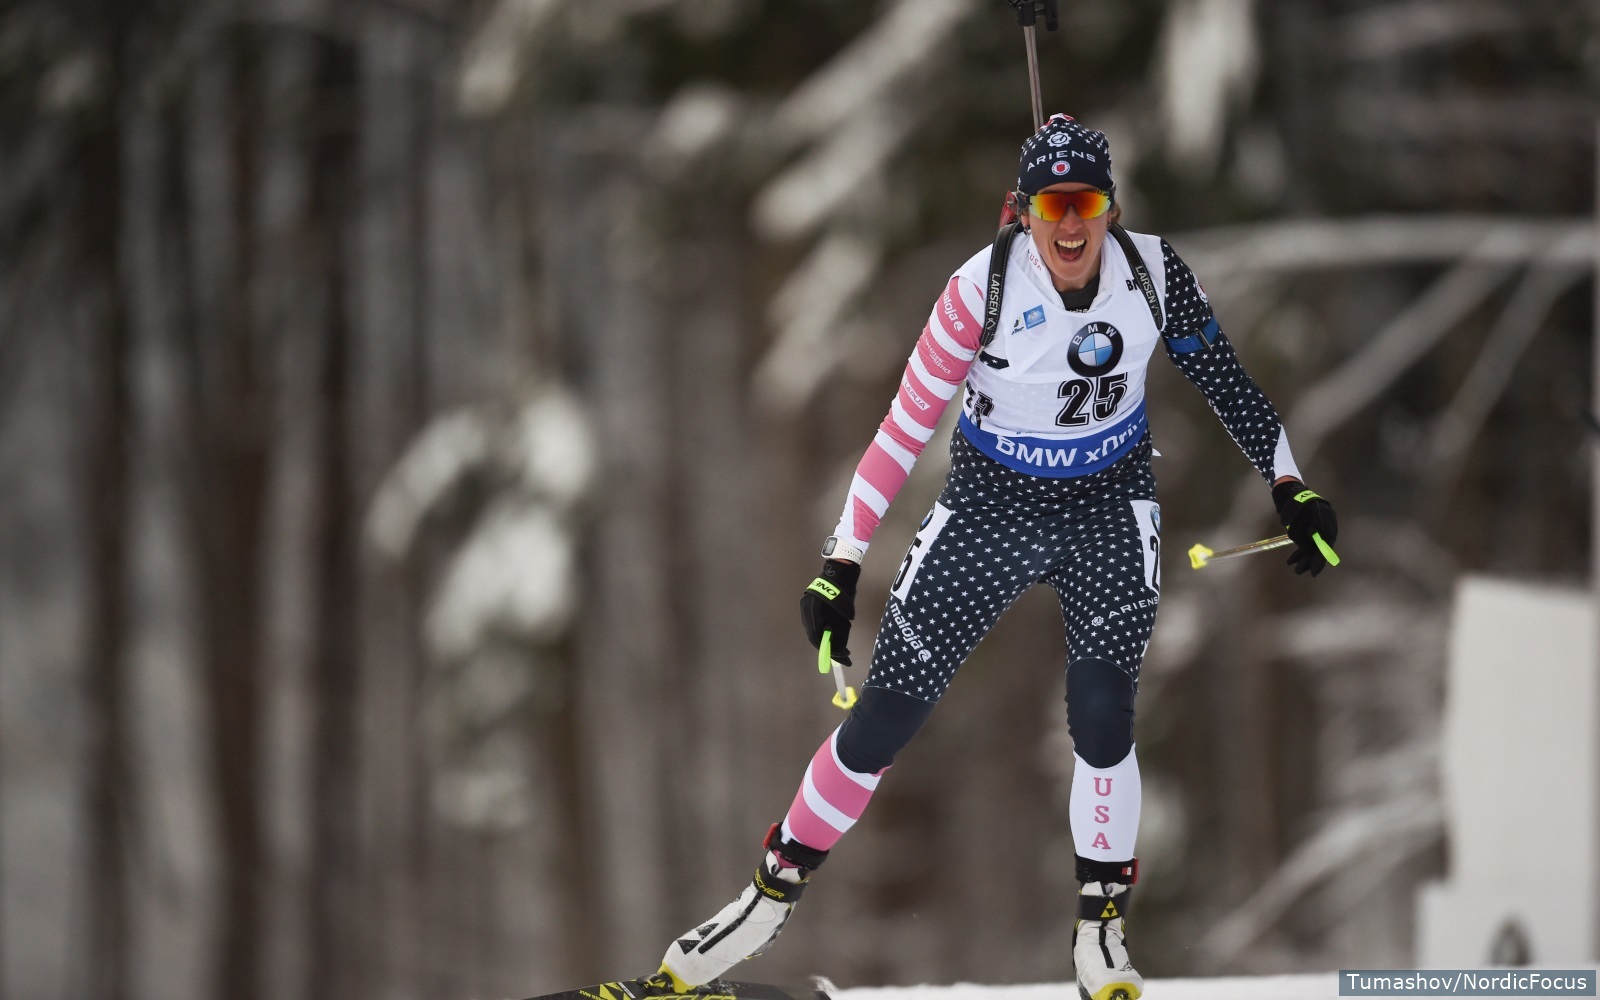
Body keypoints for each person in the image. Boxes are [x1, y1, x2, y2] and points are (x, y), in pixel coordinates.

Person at [649, 114, 1338, 1000]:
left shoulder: (1154, 273)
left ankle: (1101, 932)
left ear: (1112, 206)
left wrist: (1291, 486)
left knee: (1102, 713)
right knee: (882, 719)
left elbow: (1227, 380)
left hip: (1108, 507)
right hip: (989, 509)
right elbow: (902, 431)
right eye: (1052, 206)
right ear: (1023, 211)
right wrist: (840, 561)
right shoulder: (978, 291)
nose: (1070, 225)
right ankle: (765, 899)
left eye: (1085, 203)